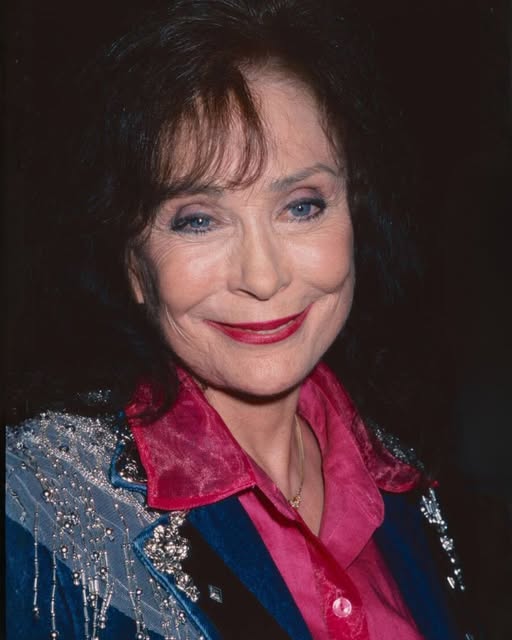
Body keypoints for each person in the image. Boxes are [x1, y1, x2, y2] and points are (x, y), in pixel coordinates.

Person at [5, 1, 475, 638]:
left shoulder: (405, 473)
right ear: (133, 263)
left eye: (302, 206)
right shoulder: (38, 506)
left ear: (356, 217)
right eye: (198, 220)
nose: (263, 276)